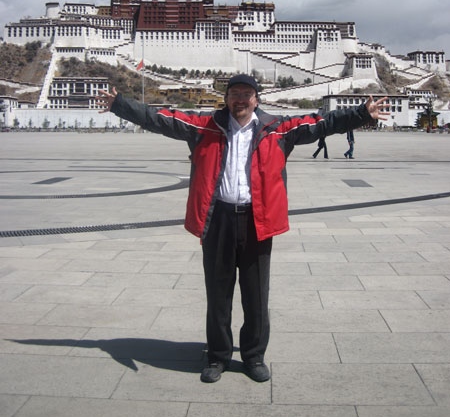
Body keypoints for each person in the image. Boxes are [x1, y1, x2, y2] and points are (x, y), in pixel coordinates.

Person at [96, 74, 389, 384]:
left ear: (256, 99)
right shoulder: (204, 126)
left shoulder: (277, 129)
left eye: (246, 94)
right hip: (218, 220)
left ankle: (253, 356)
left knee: (256, 295)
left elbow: (321, 123)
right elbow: (159, 119)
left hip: (256, 221)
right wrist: (120, 105)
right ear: (226, 99)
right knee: (218, 294)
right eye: (234, 93)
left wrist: (360, 114)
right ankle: (218, 356)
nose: (240, 99)